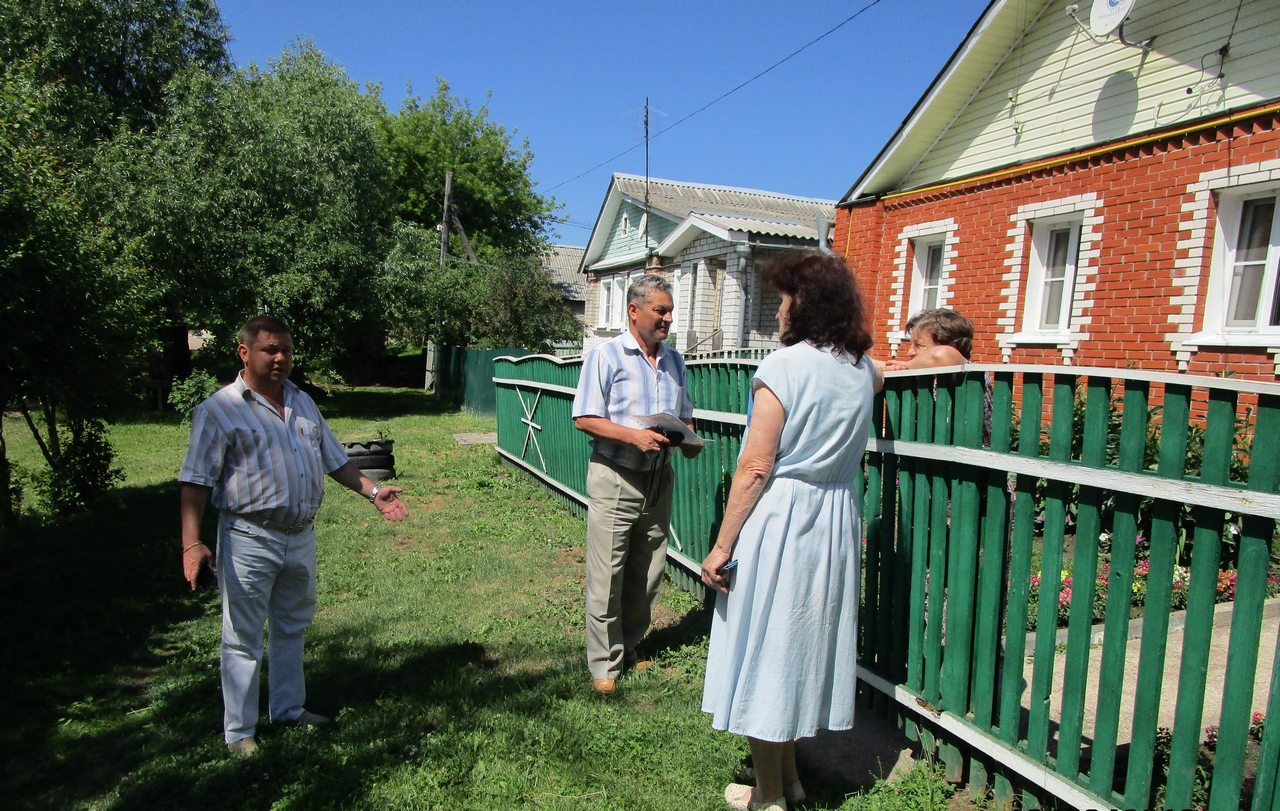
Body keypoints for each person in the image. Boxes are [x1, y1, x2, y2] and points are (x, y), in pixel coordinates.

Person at [179, 315, 409, 756]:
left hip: (299, 534)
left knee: (291, 627)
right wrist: (193, 542)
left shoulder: (302, 401)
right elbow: (194, 481)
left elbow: (335, 460)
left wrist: (374, 492)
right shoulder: (221, 410)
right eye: (270, 350)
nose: (281, 358)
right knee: (242, 636)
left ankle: (287, 709)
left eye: (286, 349)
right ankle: (239, 734)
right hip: (249, 536)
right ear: (244, 353)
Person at [700, 251, 882, 811]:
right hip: (832, 521)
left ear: (804, 304)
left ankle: (770, 797)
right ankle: (791, 780)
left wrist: (722, 545)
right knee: (795, 648)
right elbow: (887, 368)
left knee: (764, 650)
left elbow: (756, 466)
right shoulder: (864, 371)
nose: (778, 310)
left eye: (783, 298)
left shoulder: (783, 367)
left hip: (781, 519)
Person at [572, 273, 703, 694]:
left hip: (658, 477)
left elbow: (685, 414)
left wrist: (687, 438)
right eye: (660, 310)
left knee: (647, 572)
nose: (667, 319)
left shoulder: (675, 361)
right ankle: (603, 666)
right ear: (634, 310)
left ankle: (629, 645)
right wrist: (633, 435)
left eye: (669, 311)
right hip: (615, 475)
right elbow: (584, 418)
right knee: (607, 573)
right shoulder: (605, 356)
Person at [882, 307, 973, 371]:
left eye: (919, 345)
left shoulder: (968, 374)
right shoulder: (928, 375)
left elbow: (943, 354)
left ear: (952, 346)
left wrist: (906, 366)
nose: (910, 352)